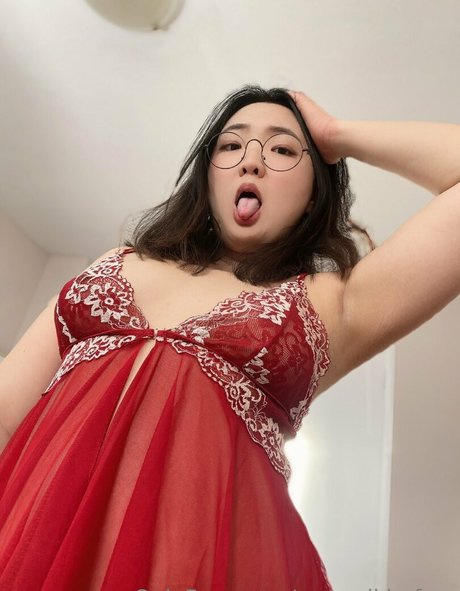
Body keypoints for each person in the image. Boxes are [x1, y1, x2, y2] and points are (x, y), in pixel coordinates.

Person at [0, 85, 458, 591]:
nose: (251, 161)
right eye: (231, 145)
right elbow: (5, 414)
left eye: (282, 149)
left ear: (314, 194)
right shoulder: (117, 263)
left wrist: (335, 135)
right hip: (30, 548)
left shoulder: (333, 302)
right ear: (208, 176)